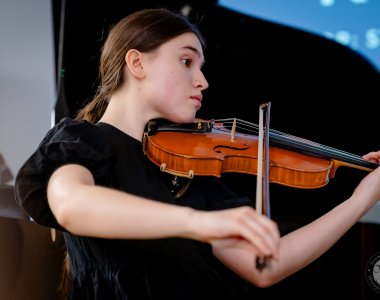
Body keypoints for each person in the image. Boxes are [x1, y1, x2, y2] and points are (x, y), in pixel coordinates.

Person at [14, 7, 380, 300]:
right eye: (187, 62)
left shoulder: (192, 172)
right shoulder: (81, 141)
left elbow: (266, 266)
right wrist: (198, 222)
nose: (203, 81)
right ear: (137, 63)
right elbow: (72, 205)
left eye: (201, 67)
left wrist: (360, 199)